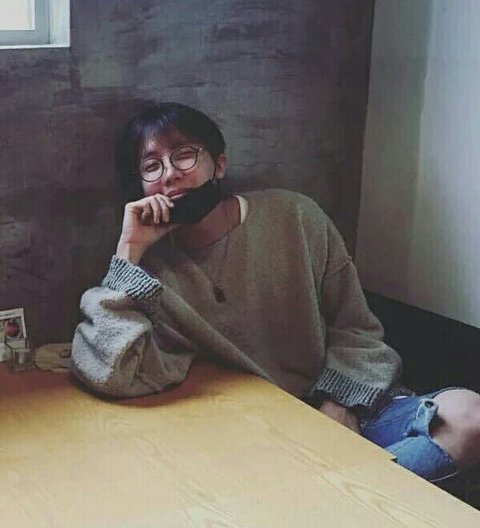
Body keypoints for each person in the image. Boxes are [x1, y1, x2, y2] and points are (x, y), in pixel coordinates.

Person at [71, 102, 480, 485]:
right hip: (260, 440)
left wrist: (340, 405)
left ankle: (324, 505)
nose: (170, 173)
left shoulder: (295, 216)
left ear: (219, 164)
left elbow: (357, 327)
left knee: (468, 415)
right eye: (151, 165)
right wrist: (129, 251)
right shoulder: (147, 273)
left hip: (354, 405)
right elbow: (112, 373)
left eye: (184, 155)